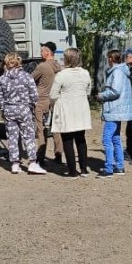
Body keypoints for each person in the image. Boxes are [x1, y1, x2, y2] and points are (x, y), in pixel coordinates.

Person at [0, 52, 46, 175]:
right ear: (19, 62)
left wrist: (4, 107)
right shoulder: (27, 77)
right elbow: (34, 95)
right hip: (24, 109)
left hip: (9, 110)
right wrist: (30, 105)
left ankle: (15, 164)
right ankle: (32, 162)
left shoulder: (2, 78)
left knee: (12, 137)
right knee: (28, 136)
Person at [50, 47, 93, 178]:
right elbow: (88, 91)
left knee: (67, 140)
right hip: (81, 109)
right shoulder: (85, 73)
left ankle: (72, 170)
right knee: (81, 139)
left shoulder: (62, 75)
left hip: (67, 109)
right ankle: (84, 169)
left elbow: (53, 94)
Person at [96, 49, 132, 178]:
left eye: (108, 58)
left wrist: (101, 96)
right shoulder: (122, 71)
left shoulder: (117, 72)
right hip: (117, 110)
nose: (107, 60)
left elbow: (115, 91)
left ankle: (109, 168)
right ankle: (119, 166)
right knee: (115, 139)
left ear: (111, 59)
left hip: (114, 110)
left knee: (107, 139)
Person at [31, 41, 64, 166]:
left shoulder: (42, 66)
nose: (40, 53)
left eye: (42, 50)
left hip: (42, 100)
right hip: (55, 100)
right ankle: (58, 154)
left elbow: (30, 79)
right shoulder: (59, 66)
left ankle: (40, 156)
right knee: (56, 128)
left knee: (41, 129)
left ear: (47, 52)